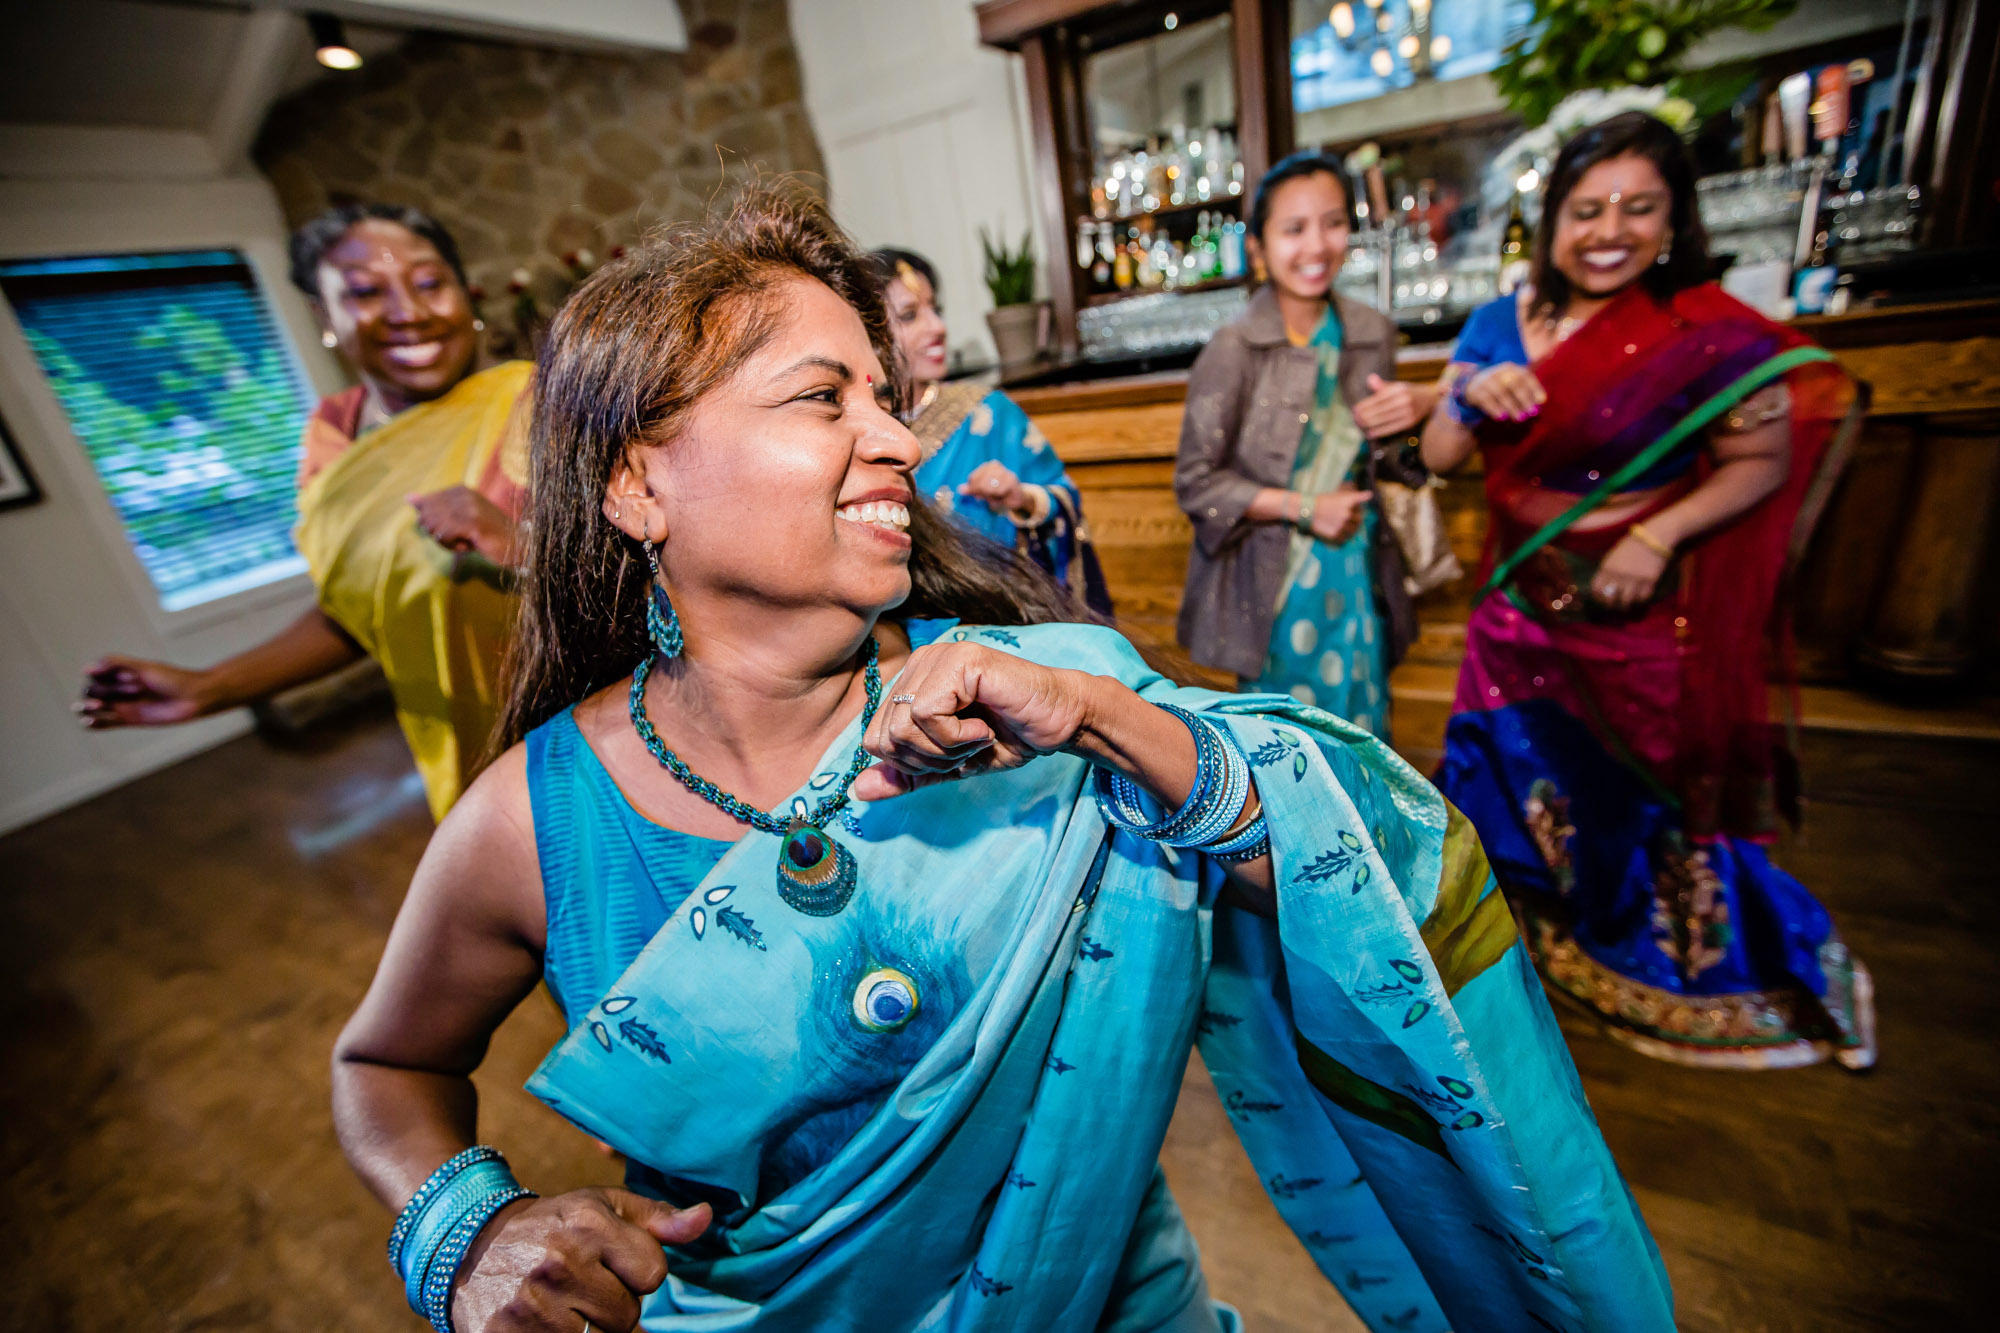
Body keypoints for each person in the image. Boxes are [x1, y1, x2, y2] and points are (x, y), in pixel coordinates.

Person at [330, 183, 1673, 1333]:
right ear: (637, 483)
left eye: (889, 396)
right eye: (823, 397)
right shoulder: (531, 822)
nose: (902, 441)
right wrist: (462, 1232)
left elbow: (1376, 882)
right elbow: (384, 1067)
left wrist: (1111, 726)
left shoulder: (1039, 699)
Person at [1420, 112, 1875, 1070]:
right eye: (1586, 210)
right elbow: (1441, 454)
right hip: (1517, 609)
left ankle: (1651, 942)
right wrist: (1468, 392)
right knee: (1502, 770)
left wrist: (1655, 531)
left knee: (1635, 783)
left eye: (1638, 207)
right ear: (1551, 222)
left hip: (1634, 609)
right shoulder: (1504, 319)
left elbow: (1762, 459)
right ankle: (1525, 935)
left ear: (1676, 218)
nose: (1609, 230)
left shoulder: (1700, 329)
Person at [77, 203, 531, 820]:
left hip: (590, 731)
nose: (410, 313)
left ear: (464, 293)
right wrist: (208, 687)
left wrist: (519, 546)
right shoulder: (334, 439)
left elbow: (664, 574)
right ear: (324, 316)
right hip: (466, 751)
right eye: (367, 292)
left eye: (429, 283)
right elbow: (359, 610)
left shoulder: (543, 397)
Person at [1173, 152, 1439, 737]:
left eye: (1333, 222)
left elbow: (1392, 462)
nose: (1317, 245)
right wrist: (1305, 507)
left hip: (1358, 563)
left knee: (1367, 727)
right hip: (1277, 579)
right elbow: (1196, 484)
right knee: (1296, 741)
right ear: (1261, 249)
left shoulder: (1372, 333)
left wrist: (1422, 409)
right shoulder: (1235, 348)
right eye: (1294, 229)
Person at [871, 247, 1111, 614]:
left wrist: (1022, 500)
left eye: (936, 309)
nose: (937, 327)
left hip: (999, 625)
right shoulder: (862, 432)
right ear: (869, 333)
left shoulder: (988, 414)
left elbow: (1066, 498)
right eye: (909, 315)